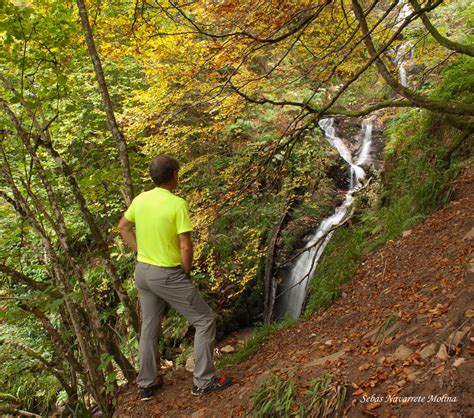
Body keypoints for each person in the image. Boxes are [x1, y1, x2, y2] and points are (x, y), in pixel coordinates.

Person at [118, 154, 232, 401]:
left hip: (143, 271)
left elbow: (123, 228)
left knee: (149, 326)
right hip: (167, 274)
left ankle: (146, 384)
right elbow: (186, 246)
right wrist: (186, 272)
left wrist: (140, 250)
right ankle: (203, 381)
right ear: (174, 176)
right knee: (204, 320)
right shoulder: (177, 204)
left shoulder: (140, 199)